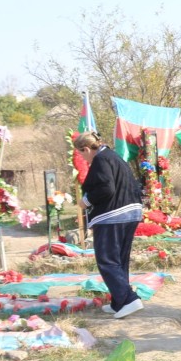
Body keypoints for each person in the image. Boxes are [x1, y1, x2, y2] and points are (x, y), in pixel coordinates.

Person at [73, 132, 144, 320]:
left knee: (107, 260)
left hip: (114, 215)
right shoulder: (112, 156)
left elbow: (106, 187)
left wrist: (86, 201)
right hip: (130, 211)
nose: (84, 159)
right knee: (119, 260)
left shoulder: (101, 159)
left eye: (82, 154)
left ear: (86, 149)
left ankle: (129, 299)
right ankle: (119, 302)